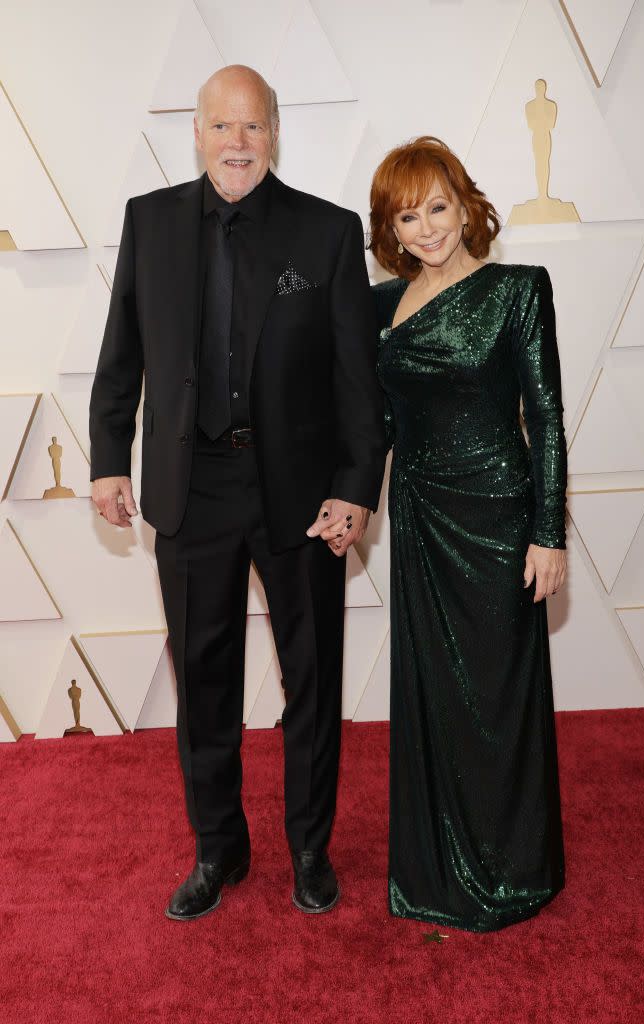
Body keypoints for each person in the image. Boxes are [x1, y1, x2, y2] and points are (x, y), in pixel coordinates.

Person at [89, 65, 385, 921]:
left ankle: (308, 849)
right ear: (196, 131)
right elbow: (122, 353)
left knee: (312, 681)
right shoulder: (150, 222)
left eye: (252, 127)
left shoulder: (326, 233)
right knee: (204, 682)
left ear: (275, 133)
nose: (237, 143)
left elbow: (356, 384)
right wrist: (110, 455)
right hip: (194, 488)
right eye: (222, 126)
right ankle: (219, 849)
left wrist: (356, 488)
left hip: (301, 495)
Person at [370, 136, 567, 931]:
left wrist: (548, 532)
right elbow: (376, 419)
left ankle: (514, 871)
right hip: (420, 517)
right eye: (406, 216)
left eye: (437, 208)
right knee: (435, 697)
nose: (426, 229)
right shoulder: (381, 305)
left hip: (498, 521)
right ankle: (435, 871)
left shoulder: (518, 290)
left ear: (465, 203)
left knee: (499, 697)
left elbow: (545, 415)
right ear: (390, 227)